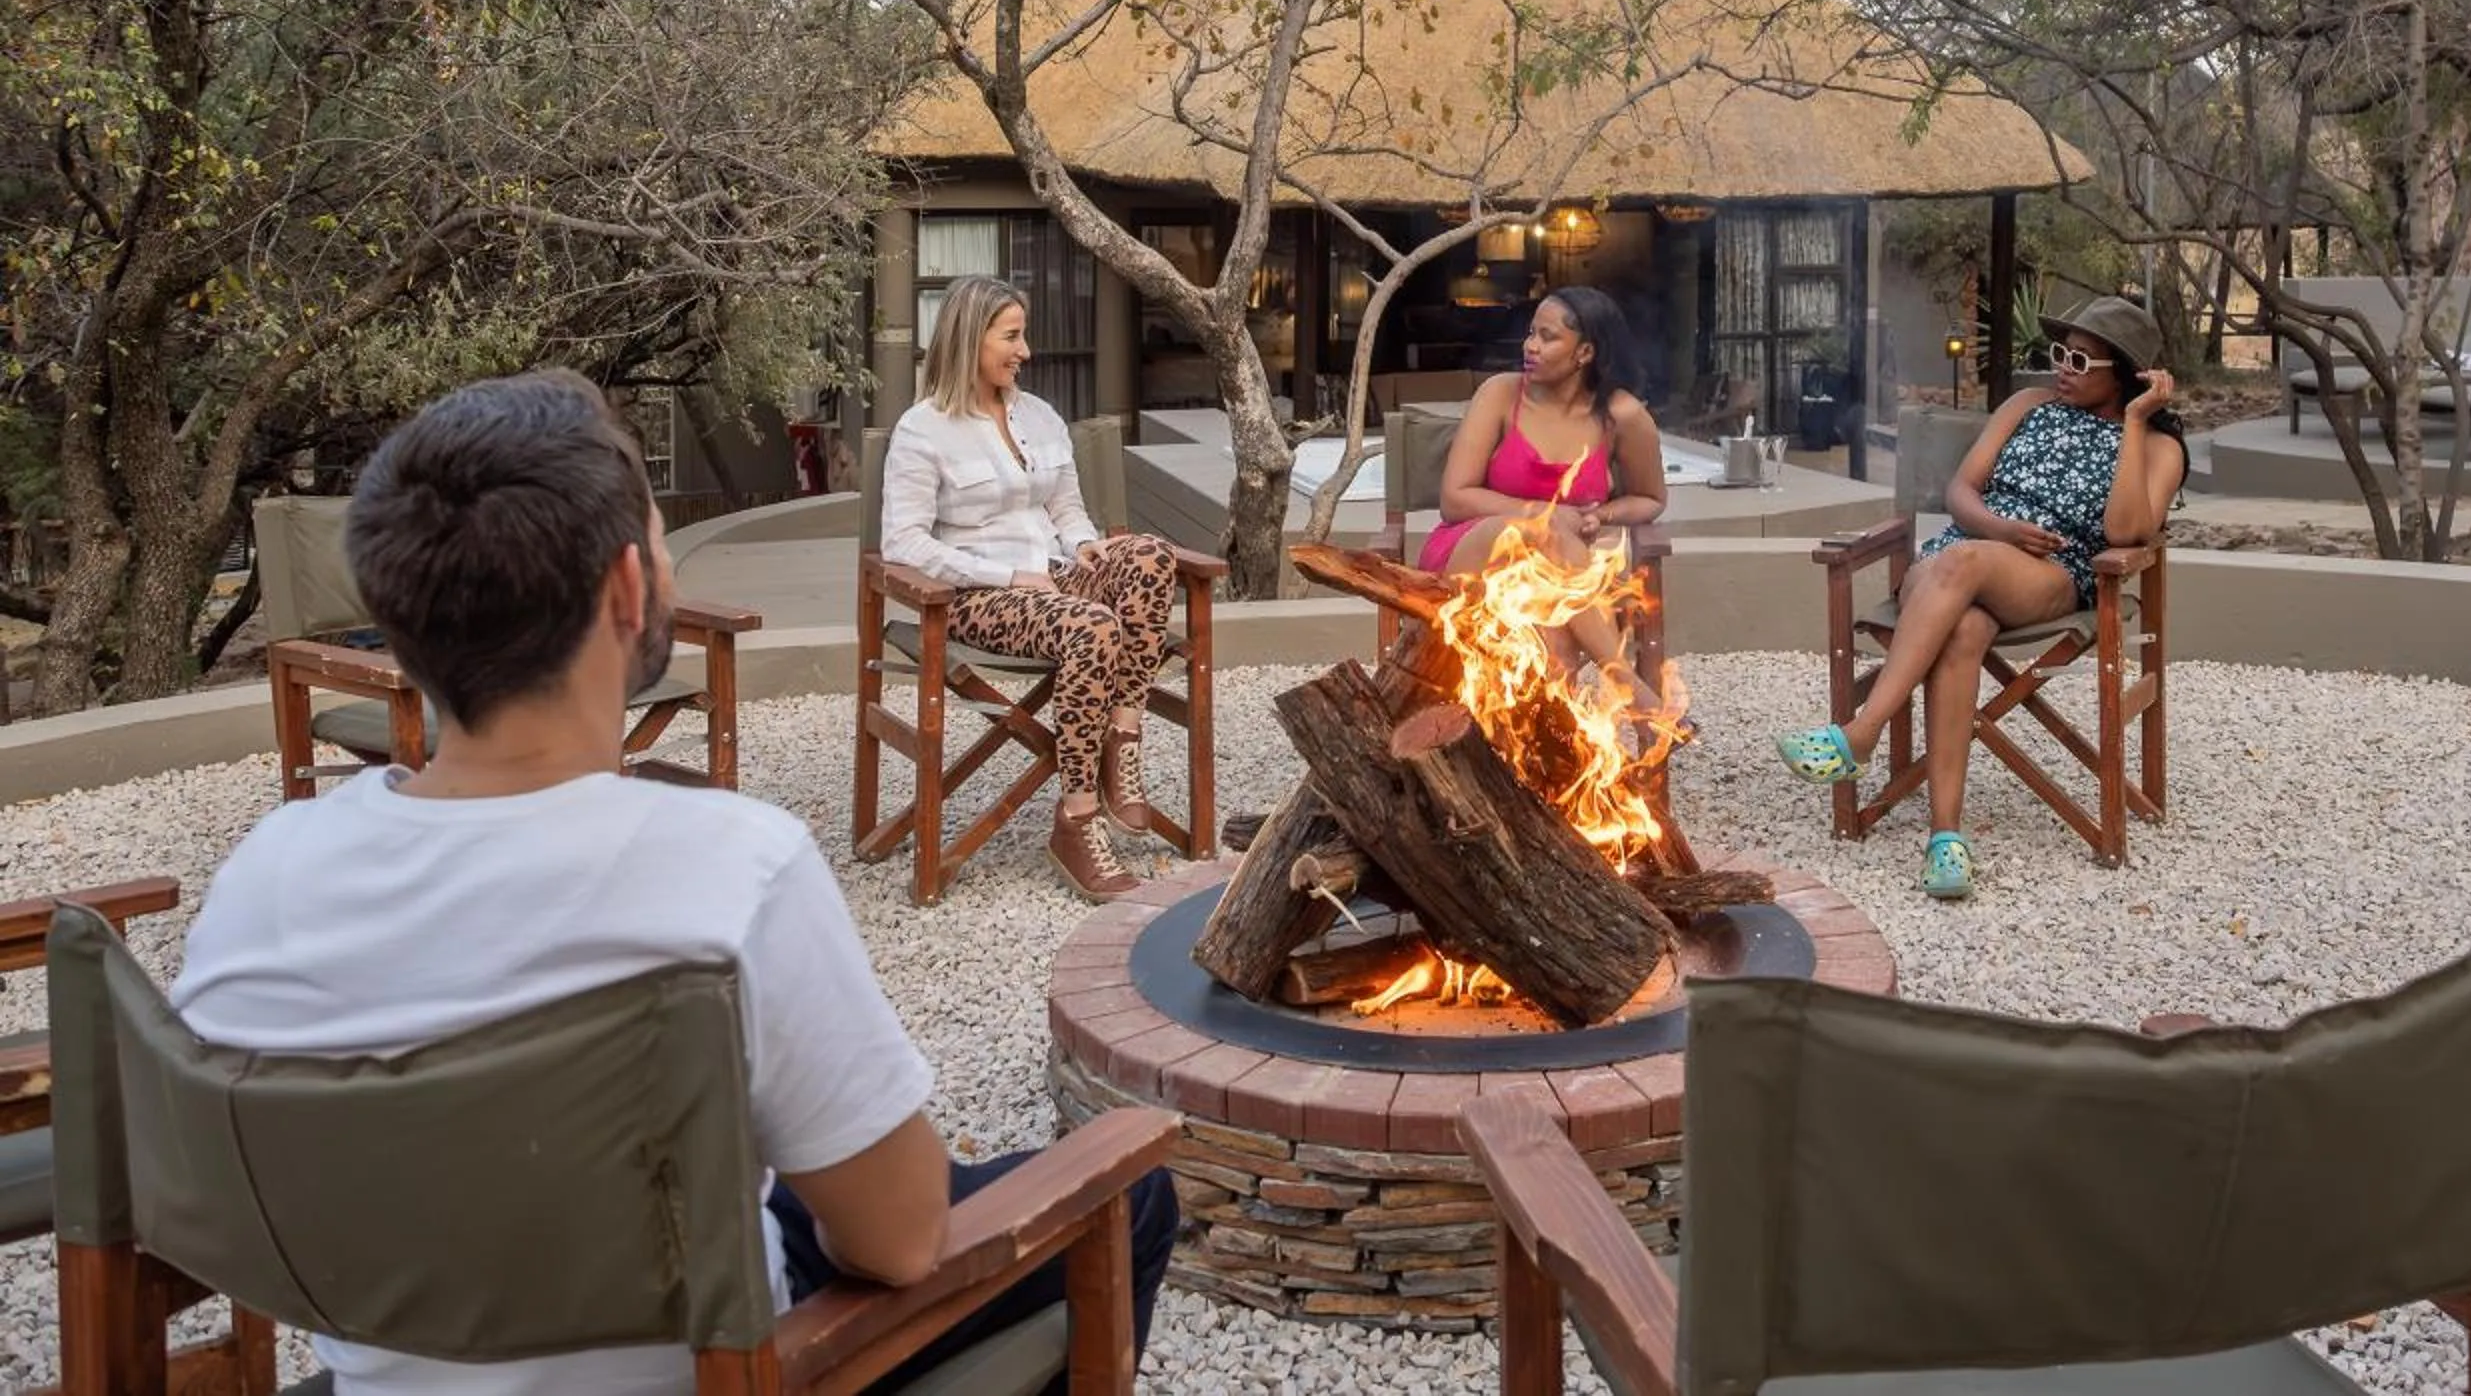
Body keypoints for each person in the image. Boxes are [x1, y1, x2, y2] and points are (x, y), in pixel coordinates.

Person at [172, 369, 1177, 1395]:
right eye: (659, 540)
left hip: (403, 1361)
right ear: (624, 589)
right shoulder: (727, 874)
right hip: (716, 1363)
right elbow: (903, 1239)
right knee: (1130, 1194)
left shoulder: (266, 881)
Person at [1773, 295, 2186, 901]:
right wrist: (2000, 529)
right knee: (1962, 627)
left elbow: (2126, 532)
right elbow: (1962, 490)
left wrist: (2132, 423)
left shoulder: (2155, 446)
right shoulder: (2027, 405)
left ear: (2125, 376)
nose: (2063, 369)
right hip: (1963, 549)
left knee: (1960, 567)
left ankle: (1859, 734)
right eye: (2059, 354)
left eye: (2080, 360)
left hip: (2051, 573)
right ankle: (1946, 839)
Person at [882, 273, 1183, 901]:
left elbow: (1068, 511)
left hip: (1053, 574)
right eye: (1012, 337)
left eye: (1025, 336)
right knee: (1095, 627)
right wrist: (1007, 575)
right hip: (977, 596)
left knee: (1151, 555)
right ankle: (1076, 819)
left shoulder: (1040, 417)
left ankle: (1121, 735)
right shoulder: (922, 429)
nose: (1025, 351)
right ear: (970, 339)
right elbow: (902, 545)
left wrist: (1085, 546)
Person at [1420, 286, 1678, 725]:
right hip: (1473, 555)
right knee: (1544, 530)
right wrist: (1540, 515)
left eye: (1547, 337)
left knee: (1556, 643)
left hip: (1554, 580)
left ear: (1585, 353)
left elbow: (1651, 499)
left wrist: (1602, 515)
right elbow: (1455, 499)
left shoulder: (1623, 416)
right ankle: (1626, 684)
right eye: (1530, 334)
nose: (1530, 346)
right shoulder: (1500, 395)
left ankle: (1551, 769)